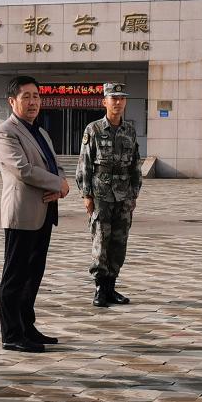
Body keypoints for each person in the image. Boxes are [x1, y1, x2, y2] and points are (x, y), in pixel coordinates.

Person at [0, 75, 70, 353]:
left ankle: (27, 326)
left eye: (36, 96)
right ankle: (11, 334)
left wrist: (61, 185)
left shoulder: (41, 132)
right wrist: (58, 183)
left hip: (44, 211)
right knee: (15, 276)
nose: (33, 101)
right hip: (21, 215)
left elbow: (55, 165)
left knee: (33, 274)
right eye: (26, 96)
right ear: (12, 101)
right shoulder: (6, 132)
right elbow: (23, 169)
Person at [75, 82, 143, 308]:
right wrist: (86, 195)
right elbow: (84, 164)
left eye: (122, 98)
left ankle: (111, 287)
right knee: (100, 241)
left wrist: (134, 194)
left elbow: (135, 165)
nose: (118, 102)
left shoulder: (129, 131)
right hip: (101, 195)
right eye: (114, 98)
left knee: (119, 243)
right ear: (104, 102)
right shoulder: (93, 130)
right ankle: (100, 289)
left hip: (123, 197)